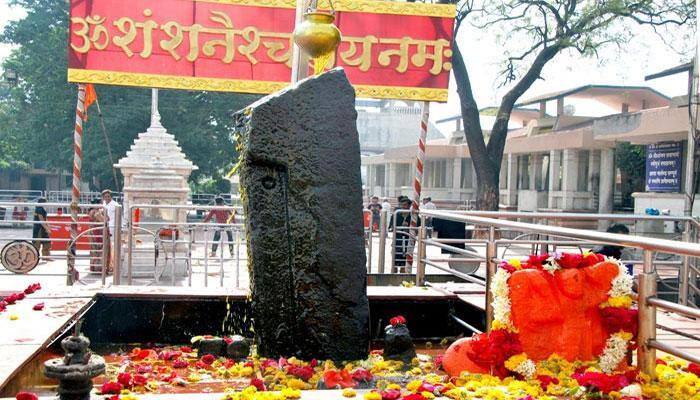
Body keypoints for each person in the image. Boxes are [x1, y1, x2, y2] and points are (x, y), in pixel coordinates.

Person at [389, 197, 420, 272]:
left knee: (404, 262)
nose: (403, 207)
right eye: (401, 205)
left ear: (409, 206)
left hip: (407, 241)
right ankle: (393, 277)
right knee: (394, 261)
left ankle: (403, 276)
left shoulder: (414, 217)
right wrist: (399, 228)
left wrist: (409, 229)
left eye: (405, 205)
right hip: (397, 240)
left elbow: (418, 230)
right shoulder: (396, 215)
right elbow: (390, 228)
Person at [87, 199, 108, 272]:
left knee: (94, 250)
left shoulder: (92, 211)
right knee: (98, 250)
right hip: (96, 232)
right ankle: (98, 267)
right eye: (101, 203)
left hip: (93, 232)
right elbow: (104, 221)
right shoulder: (96, 212)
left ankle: (95, 267)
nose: (102, 205)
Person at [102, 189, 120, 270]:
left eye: (108, 196)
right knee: (106, 247)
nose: (107, 198)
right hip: (105, 227)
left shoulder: (115, 205)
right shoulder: (104, 204)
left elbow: (120, 217)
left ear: (111, 196)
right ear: (103, 198)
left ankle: (112, 265)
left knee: (112, 246)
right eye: (105, 197)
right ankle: (107, 264)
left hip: (113, 227)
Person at [32, 198, 51, 262]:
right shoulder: (39, 209)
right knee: (37, 243)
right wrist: (47, 228)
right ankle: (34, 258)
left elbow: (45, 218)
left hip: (43, 227)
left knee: (47, 243)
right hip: (39, 228)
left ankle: (46, 257)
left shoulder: (42, 208)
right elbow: (41, 220)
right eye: (46, 202)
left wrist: (48, 226)